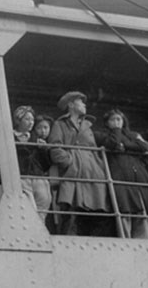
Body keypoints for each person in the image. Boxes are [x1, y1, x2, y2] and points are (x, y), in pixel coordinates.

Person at [47, 91, 111, 236]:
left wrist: (100, 168)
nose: (84, 104)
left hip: (94, 175)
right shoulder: (60, 124)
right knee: (70, 217)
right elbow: (55, 148)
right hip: (74, 175)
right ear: (71, 105)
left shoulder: (88, 126)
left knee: (96, 218)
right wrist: (70, 162)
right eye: (80, 101)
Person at [95, 109, 148, 239]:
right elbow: (113, 143)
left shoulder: (132, 135)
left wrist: (126, 146)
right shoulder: (102, 135)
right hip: (121, 179)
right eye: (113, 120)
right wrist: (117, 133)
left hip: (139, 180)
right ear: (107, 123)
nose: (116, 122)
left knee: (143, 214)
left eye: (119, 119)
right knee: (125, 212)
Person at [13, 106, 51, 222]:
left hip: (39, 177)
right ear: (18, 120)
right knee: (27, 209)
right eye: (27, 119)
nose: (31, 122)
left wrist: (43, 150)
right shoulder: (10, 137)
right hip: (22, 177)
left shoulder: (36, 138)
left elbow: (46, 164)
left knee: (43, 208)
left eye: (32, 120)